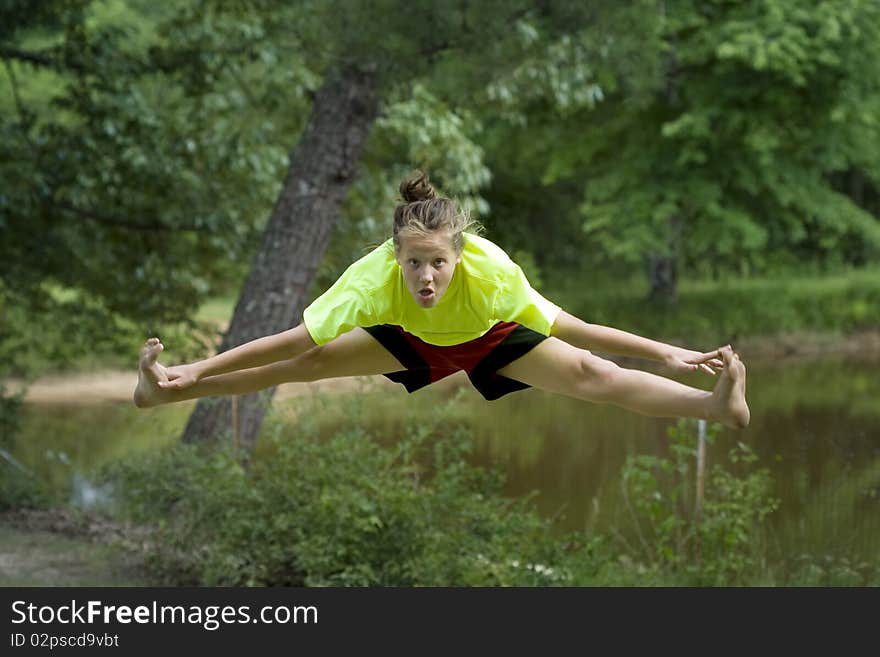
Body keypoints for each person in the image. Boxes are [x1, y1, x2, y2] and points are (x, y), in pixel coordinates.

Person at [133, 171, 749, 430]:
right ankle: (169, 390)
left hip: (487, 337)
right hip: (412, 337)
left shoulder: (493, 274)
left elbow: (578, 328)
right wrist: (199, 366)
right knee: (302, 366)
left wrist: (668, 353)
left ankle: (714, 407)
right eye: (413, 263)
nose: (425, 275)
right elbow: (291, 341)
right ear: (395, 258)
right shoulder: (373, 280)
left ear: (459, 257)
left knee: (593, 374)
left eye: (437, 263)